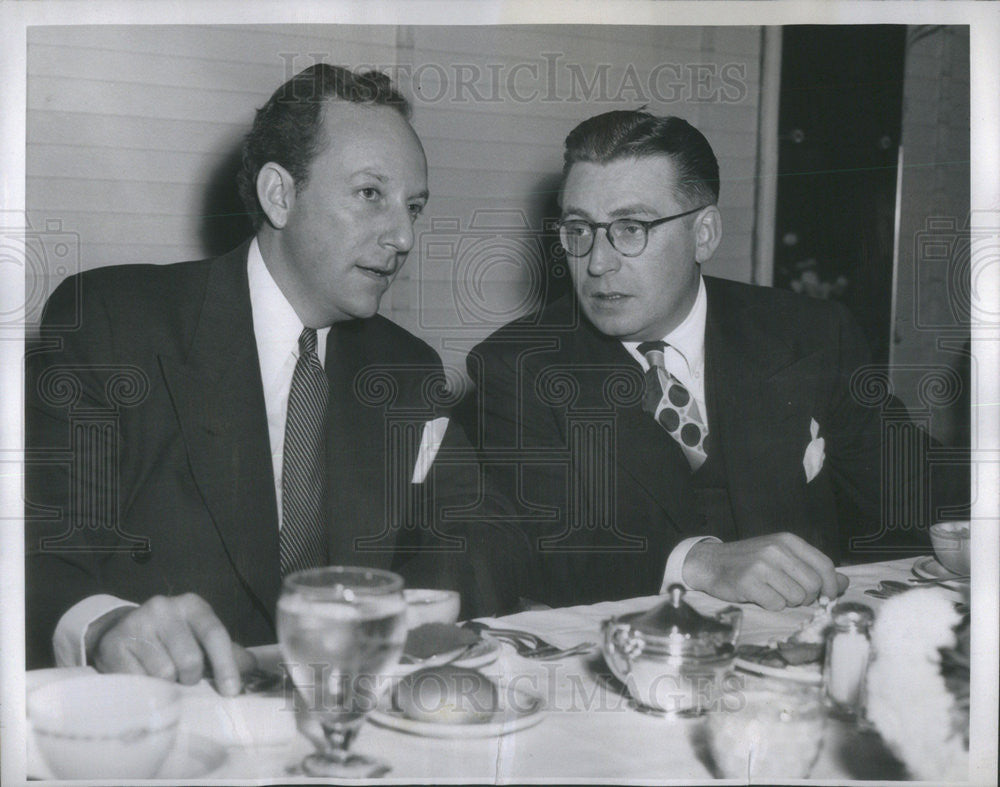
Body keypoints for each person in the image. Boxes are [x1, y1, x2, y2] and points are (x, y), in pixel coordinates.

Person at [25, 64, 528, 691]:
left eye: (414, 206)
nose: (402, 236)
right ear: (279, 195)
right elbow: (37, 547)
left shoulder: (407, 370)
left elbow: (474, 534)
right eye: (371, 193)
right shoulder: (112, 322)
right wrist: (103, 627)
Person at [459, 109, 951, 611]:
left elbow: (918, 484)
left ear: (705, 234)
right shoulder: (518, 366)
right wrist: (700, 563)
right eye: (579, 229)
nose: (598, 262)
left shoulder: (811, 334)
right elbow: (543, 547)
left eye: (631, 228)